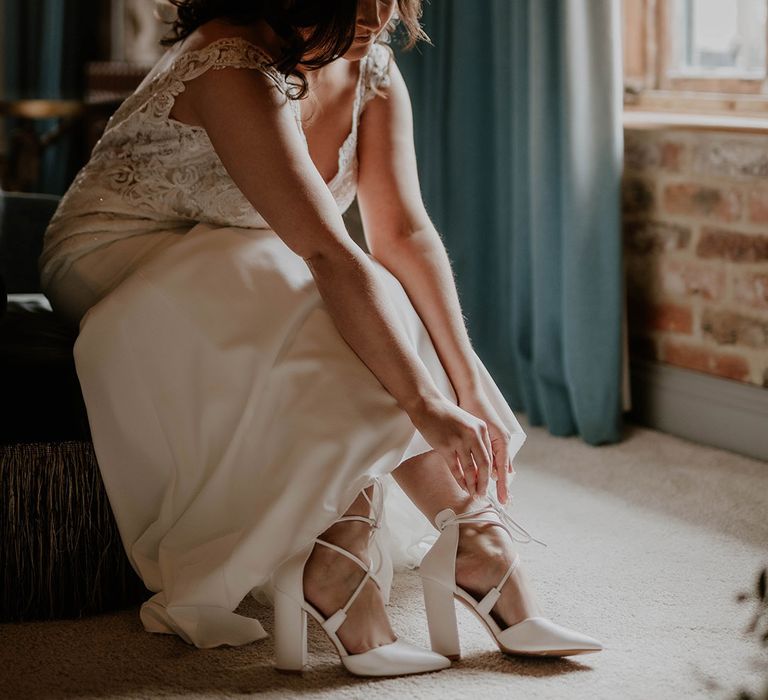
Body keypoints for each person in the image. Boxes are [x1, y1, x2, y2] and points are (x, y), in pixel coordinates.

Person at [38, 0, 603, 678]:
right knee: (314, 288)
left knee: (361, 292)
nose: (378, 11)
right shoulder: (230, 60)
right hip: (117, 254)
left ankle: (469, 538)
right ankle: (356, 560)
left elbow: (405, 234)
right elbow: (328, 254)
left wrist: (465, 382)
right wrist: (422, 405)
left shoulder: (376, 70)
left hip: (266, 258)